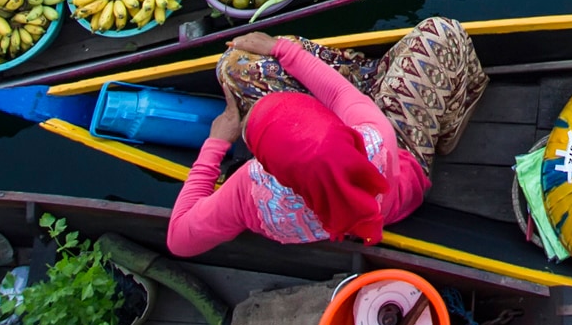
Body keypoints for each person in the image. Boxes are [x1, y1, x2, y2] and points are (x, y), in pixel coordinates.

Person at [166, 20, 483, 254]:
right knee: (443, 32)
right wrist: (280, 48)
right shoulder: (375, 139)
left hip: (349, 208)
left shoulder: (252, 195)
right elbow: (337, 93)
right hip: (402, 167)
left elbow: (179, 239)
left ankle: (379, 81)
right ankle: (450, 121)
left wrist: (216, 144)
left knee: (232, 67)